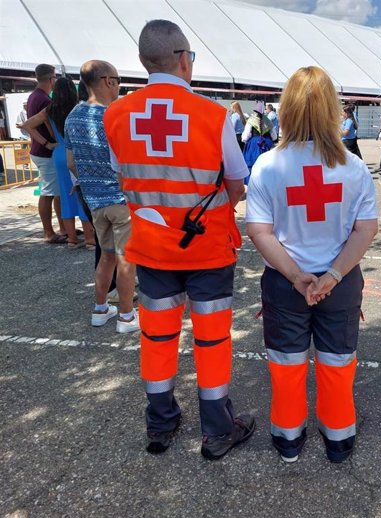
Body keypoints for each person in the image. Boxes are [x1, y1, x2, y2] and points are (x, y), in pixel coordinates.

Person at [103, 20, 255, 459]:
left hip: (151, 250)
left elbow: (125, 176)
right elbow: (235, 186)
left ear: (142, 61)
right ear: (185, 59)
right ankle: (217, 431)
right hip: (206, 250)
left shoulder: (117, 115)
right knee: (211, 340)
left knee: (156, 338)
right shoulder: (212, 114)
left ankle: (161, 424)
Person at [245, 65, 378, 463]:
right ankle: (339, 441)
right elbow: (366, 229)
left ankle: (288, 439)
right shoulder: (353, 167)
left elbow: (260, 232)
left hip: (286, 283)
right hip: (340, 283)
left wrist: (298, 277)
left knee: (286, 364)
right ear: (332, 111)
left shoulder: (268, 165)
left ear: (285, 109)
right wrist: (333, 276)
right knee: (338, 362)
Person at [64, 60, 138, 334]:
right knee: (126, 258)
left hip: (94, 201)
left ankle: (100, 309)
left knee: (106, 256)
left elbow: (71, 162)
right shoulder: (115, 115)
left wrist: (87, 182)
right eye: (118, 80)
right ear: (108, 81)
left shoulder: (72, 116)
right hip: (119, 199)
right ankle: (128, 316)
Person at [20, 77, 96, 248]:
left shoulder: (50, 109)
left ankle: (71, 239)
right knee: (82, 194)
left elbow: (26, 125)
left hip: (59, 153)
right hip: (76, 152)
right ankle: (90, 239)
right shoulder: (78, 108)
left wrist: (47, 143)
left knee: (64, 195)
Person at [27, 64, 67, 244]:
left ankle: (63, 227)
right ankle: (49, 232)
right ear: (51, 79)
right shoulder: (43, 99)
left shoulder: (35, 96)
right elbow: (31, 125)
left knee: (55, 191)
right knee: (49, 192)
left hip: (42, 150)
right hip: (45, 152)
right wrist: (48, 142)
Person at [242, 103, 276, 182]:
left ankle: (251, 182)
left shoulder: (251, 120)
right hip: (266, 144)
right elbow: (274, 136)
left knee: (251, 163)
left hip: (254, 144)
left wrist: (245, 141)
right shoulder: (268, 121)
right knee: (265, 164)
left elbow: (245, 137)